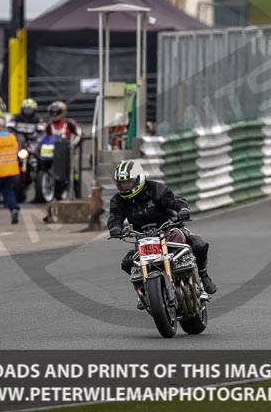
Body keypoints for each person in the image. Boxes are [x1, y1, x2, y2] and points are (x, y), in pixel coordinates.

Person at [107, 160, 217, 307]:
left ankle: (203, 275)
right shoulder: (117, 200)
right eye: (122, 183)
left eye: (129, 182)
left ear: (139, 179)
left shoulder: (155, 188)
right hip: (143, 236)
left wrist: (182, 210)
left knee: (199, 245)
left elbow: (175, 200)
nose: (125, 186)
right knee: (128, 263)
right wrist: (115, 228)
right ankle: (144, 292)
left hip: (169, 227)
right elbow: (115, 217)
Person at [46, 101, 82, 199]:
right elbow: (46, 138)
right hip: (54, 152)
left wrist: (73, 145)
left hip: (69, 151)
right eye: (52, 112)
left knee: (74, 170)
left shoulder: (69, 123)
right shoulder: (49, 126)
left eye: (56, 112)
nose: (54, 114)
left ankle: (76, 187)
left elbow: (79, 134)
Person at [0, 124, 21, 225]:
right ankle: (13, 208)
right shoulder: (12, 137)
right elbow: (16, 150)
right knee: (8, 192)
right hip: (10, 169)